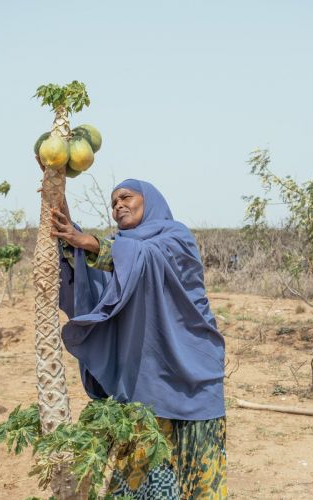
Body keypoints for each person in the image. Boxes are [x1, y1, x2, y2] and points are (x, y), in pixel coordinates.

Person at [52, 179, 227, 499]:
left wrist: (91, 244)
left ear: (151, 201)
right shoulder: (121, 247)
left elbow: (144, 258)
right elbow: (102, 270)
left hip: (194, 372)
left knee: (199, 473)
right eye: (113, 202)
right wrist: (57, 193)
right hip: (147, 379)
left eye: (126, 197)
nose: (118, 205)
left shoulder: (176, 237)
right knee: (141, 469)